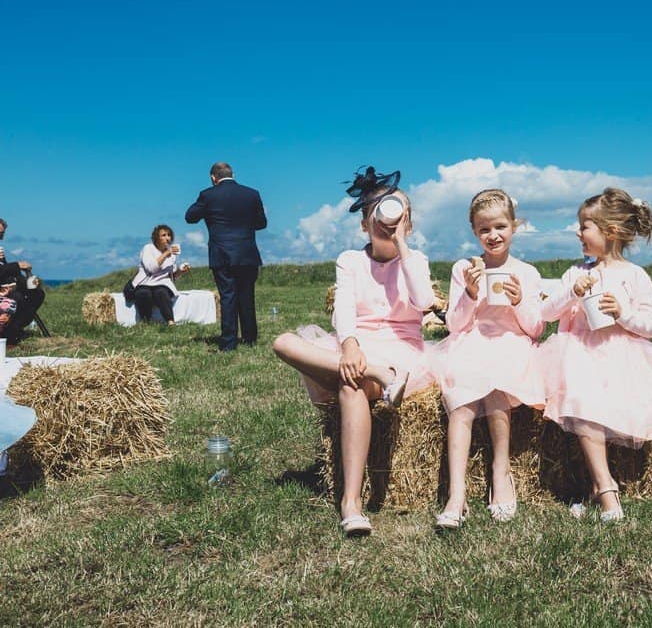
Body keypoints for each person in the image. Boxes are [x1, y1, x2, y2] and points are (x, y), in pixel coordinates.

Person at [272, 167, 435, 537]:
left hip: (402, 350)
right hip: (356, 346)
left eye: (396, 213)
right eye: (377, 213)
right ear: (365, 224)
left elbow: (424, 301)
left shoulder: (417, 261)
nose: (387, 221)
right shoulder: (350, 259)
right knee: (282, 341)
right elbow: (343, 307)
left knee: (350, 387)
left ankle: (351, 504)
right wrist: (349, 345)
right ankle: (378, 373)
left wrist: (403, 244)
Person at [539, 188, 652, 522]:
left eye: (585, 227)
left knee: (604, 399)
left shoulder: (635, 276)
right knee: (582, 397)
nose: (578, 233)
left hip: (621, 357)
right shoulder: (575, 273)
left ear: (612, 233)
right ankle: (606, 489)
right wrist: (570, 294)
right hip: (577, 353)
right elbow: (546, 313)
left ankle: (595, 488)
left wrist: (622, 314)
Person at [432, 190, 545, 530]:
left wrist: (520, 300)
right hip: (472, 341)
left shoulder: (526, 272)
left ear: (514, 226)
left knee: (497, 384)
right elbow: (455, 325)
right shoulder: (463, 268)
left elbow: (535, 328)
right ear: (474, 231)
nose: (493, 235)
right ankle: (457, 493)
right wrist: (469, 293)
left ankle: (501, 471)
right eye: (484, 230)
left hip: (512, 343)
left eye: (500, 227)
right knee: (461, 399)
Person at [185, 162, 267, 351]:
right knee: (247, 295)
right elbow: (262, 223)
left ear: (213, 177)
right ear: (233, 174)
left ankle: (229, 342)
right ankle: (250, 338)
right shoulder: (252, 194)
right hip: (247, 252)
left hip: (221, 253)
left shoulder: (207, 195)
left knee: (228, 296)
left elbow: (190, 217)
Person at [128, 225, 192, 324]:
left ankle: (170, 322)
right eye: (164, 235)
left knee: (161, 292)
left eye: (169, 235)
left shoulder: (172, 255)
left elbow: (171, 276)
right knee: (144, 293)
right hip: (145, 282)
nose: (167, 238)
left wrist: (180, 271)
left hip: (162, 284)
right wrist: (166, 253)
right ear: (157, 238)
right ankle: (146, 322)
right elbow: (151, 268)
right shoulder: (148, 248)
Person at [0, 217, 45, 344]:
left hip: (7, 286)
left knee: (37, 294)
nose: (1, 237)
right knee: (17, 297)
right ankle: (10, 335)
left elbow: (6, 272)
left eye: (2, 234)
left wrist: (29, 278)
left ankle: (15, 329)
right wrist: (17, 265)